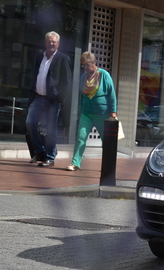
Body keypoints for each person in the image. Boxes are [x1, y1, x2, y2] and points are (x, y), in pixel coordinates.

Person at [26, 31, 72, 167]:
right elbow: (36, 75)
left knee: (51, 130)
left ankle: (50, 158)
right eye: (49, 41)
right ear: (45, 42)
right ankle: (39, 151)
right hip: (37, 97)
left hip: (52, 100)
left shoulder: (63, 59)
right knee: (30, 123)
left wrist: (60, 97)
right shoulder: (40, 57)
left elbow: (67, 82)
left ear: (58, 44)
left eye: (54, 42)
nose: (51, 44)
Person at [66, 52, 117, 171]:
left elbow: (111, 93)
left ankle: (108, 166)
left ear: (94, 63)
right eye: (83, 65)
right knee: (80, 137)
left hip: (102, 113)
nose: (85, 68)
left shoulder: (104, 75)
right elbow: (82, 95)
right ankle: (75, 163)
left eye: (87, 65)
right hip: (86, 113)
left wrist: (113, 112)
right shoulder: (84, 76)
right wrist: (81, 109)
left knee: (107, 140)